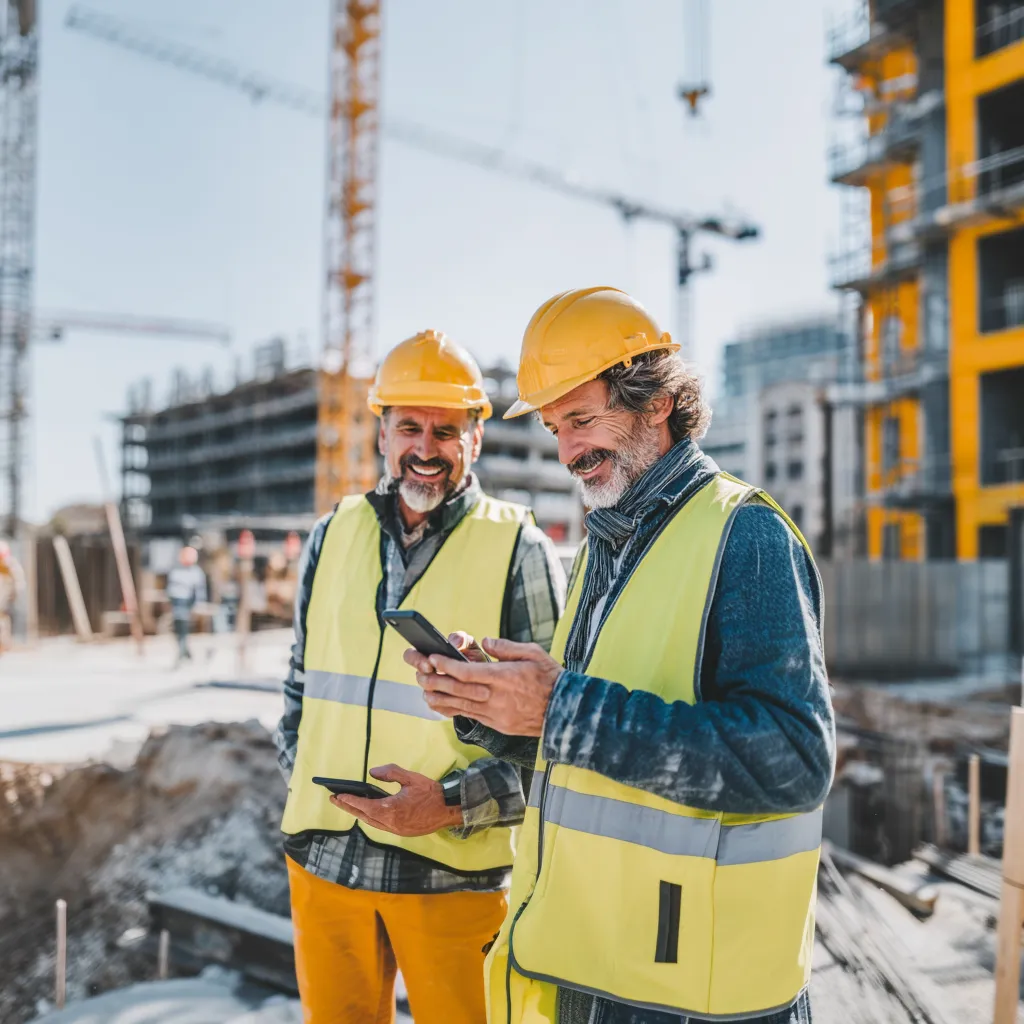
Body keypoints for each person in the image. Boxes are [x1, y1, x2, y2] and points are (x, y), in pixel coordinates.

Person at [405, 288, 835, 1024]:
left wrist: (560, 707)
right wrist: (502, 706)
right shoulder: (606, 544)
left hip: (693, 993)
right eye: (555, 428)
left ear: (655, 401)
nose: (570, 451)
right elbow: (586, 749)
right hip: (594, 961)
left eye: (581, 418)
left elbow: (794, 762)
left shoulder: (747, 537)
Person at [273, 329, 566, 1024]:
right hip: (324, 865)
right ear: (382, 433)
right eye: (410, 426)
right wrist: (302, 773)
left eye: (446, 430)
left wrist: (453, 804)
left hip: (451, 879)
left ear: (476, 440)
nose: (426, 449)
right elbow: (298, 688)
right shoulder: (332, 532)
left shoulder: (518, 547)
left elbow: (556, 738)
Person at [166, 545, 207, 663]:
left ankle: (183, 651)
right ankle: (184, 651)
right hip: (177, 602)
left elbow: (199, 590)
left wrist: (198, 603)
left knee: (184, 628)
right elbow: (170, 588)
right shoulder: (176, 570)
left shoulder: (195, 572)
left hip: (187, 602)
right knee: (179, 628)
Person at [0, 540, 25, 654]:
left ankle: (3, 644)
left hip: (4, 599)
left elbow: (18, 582)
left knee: (3, 621)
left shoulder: (10, 566)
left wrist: (14, 596)